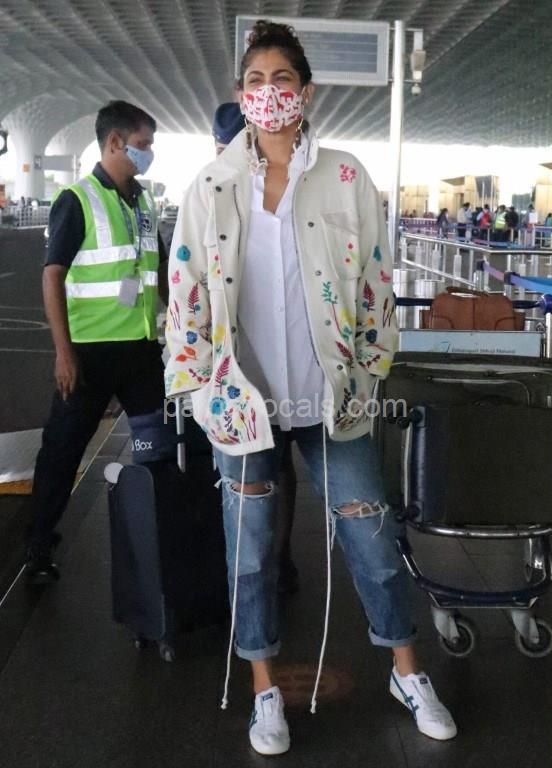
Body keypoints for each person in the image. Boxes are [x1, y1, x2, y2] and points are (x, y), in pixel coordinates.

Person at [165, 19, 456, 757]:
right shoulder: (212, 185)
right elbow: (186, 291)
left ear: (306, 92)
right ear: (241, 95)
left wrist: (371, 368)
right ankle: (264, 687)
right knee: (250, 552)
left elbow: (376, 282)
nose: (269, 94)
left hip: (332, 400)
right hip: (243, 405)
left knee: (372, 536)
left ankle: (407, 671)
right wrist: (197, 386)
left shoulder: (346, 177)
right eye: (255, 82)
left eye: (282, 80)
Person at [25, 100, 169, 584]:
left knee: (154, 448)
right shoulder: (78, 198)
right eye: (143, 144)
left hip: (142, 352)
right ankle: (38, 545)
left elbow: (158, 269)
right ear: (114, 143)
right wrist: (63, 353)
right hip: (89, 355)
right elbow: (52, 275)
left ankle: (157, 541)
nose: (149, 153)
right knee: (63, 451)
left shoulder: (144, 202)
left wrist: (180, 321)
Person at [212, 101, 299, 594]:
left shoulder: (281, 192)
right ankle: (254, 569)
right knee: (245, 473)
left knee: (270, 467)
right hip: (232, 364)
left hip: (277, 362)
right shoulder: (211, 191)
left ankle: (275, 560)